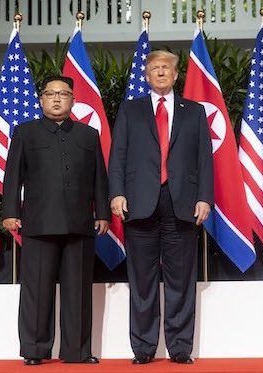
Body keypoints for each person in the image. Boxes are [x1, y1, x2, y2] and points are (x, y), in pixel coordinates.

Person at [109, 50, 214, 365]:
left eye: (166, 67)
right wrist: (117, 193)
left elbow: (204, 160)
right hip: (139, 203)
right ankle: (143, 347)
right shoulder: (131, 110)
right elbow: (118, 156)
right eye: (154, 68)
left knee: (181, 278)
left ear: (175, 74)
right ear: (146, 75)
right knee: (142, 280)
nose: (160, 72)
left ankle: (180, 347)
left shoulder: (194, 112)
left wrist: (204, 197)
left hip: (182, 203)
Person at [2, 75, 110, 366]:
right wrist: (10, 212)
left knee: (78, 291)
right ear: (42, 100)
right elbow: (12, 176)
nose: (57, 98)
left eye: (63, 94)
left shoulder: (89, 135)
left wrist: (102, 213)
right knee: (37, 290)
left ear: (73, 99)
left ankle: (77, 351)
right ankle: (35, 350)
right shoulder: (25, 133)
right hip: (38, 222)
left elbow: (100, 176)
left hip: (80, 223)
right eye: (51, 93)